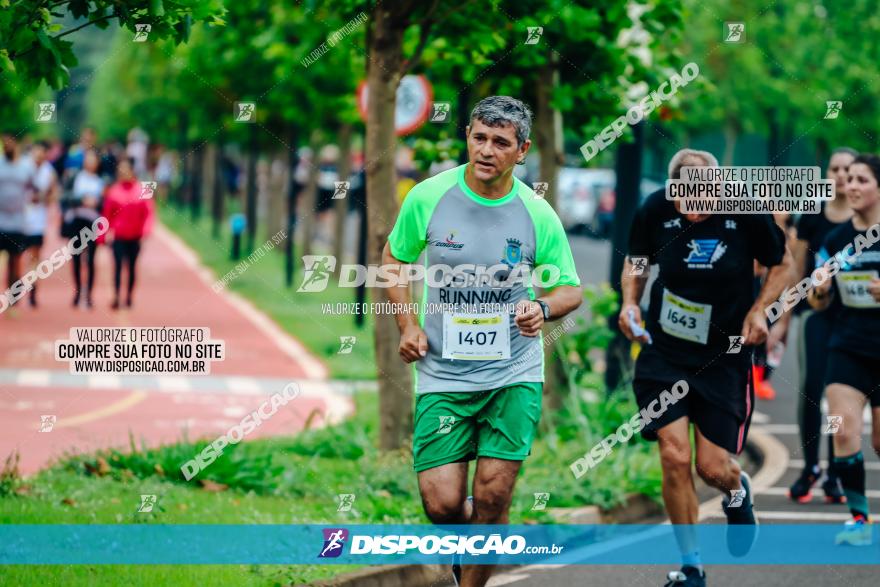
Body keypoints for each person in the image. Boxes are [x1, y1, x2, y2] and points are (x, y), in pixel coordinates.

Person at [383, 96, 582, 587]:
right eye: (478, 137)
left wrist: (543, 307)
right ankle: (472, 537)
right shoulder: (428, 197)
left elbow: (570, 288)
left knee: (493, 496)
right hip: (443, 373)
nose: (486, 150)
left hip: (512, 372)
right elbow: (393, 260)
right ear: (467, 137)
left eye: (500, 142)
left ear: (522, 151)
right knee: (442, 503)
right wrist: (407, 325)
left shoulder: (536, 213)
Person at [619, 149, 793, 587]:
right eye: (688, 199)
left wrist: (760, 311)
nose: (698, 208)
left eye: (707, 196)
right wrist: (629, 303)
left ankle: (737, 491)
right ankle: (691, 565)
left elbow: (782, 263)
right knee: (674, 454)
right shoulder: (654, 208)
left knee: (712, 469)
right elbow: (637, 261)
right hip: (665, 351)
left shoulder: (745, 208)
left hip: (724, 356)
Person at [808, 153, 880, 546]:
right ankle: (859, 520)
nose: (850, 186)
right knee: (840, 428)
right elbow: (818, 304)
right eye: (847, 179)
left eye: (861, 180)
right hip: (848, 344)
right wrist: (819, 289)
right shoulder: (835, 241)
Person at [785, 148, 856, 503]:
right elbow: (795, 269)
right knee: (811, 389)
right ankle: (811, 466)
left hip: (850, 318)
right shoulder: (813, 215)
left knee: (837, 395)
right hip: (813, 313)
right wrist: (781, 322)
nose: (841, 175)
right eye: (835, 168)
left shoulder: (863, 220)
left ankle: (835, 472)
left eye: (848, 170)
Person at [101, 158, 154, 309]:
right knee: (117, 266)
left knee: (131, 267)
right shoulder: (113, 190)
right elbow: (107, 215)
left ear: (132, 171)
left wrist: (146, 230)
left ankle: (129, 296)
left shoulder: (144, 189)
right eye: (120, 170)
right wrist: (102, 235)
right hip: (119, 237)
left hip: (135, 237)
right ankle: (116, 296)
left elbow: (149, 212)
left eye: (126, 170)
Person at [23, 140, 59, 307]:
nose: (39, 155)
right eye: (37, 151)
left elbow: (54, 196)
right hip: (19, 221)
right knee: (15, 257)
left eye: (43, 152)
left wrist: (43, 198)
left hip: (38, 221)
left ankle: (32, 292)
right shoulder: (21, 167)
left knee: (35, 257)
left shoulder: (49, 173)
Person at [67, 149, 104, 308]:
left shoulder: (101, 181)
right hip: (77, 221)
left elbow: (105, 203)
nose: (90, 163)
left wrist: (97, 202)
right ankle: (77, 292)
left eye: (93, 160)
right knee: (75, 259)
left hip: (93, 224)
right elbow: (66, 196)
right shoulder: (76, 177)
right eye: (88, 160)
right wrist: (82, 199)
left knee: (91, 260)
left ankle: (88, 294)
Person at [0, 132, 35, 295]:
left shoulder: (26, 167)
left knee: (14, 262)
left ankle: (12, 299)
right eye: (4, 143)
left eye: (9, 143)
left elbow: (35, 189)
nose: (7, 146)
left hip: (17, 222)